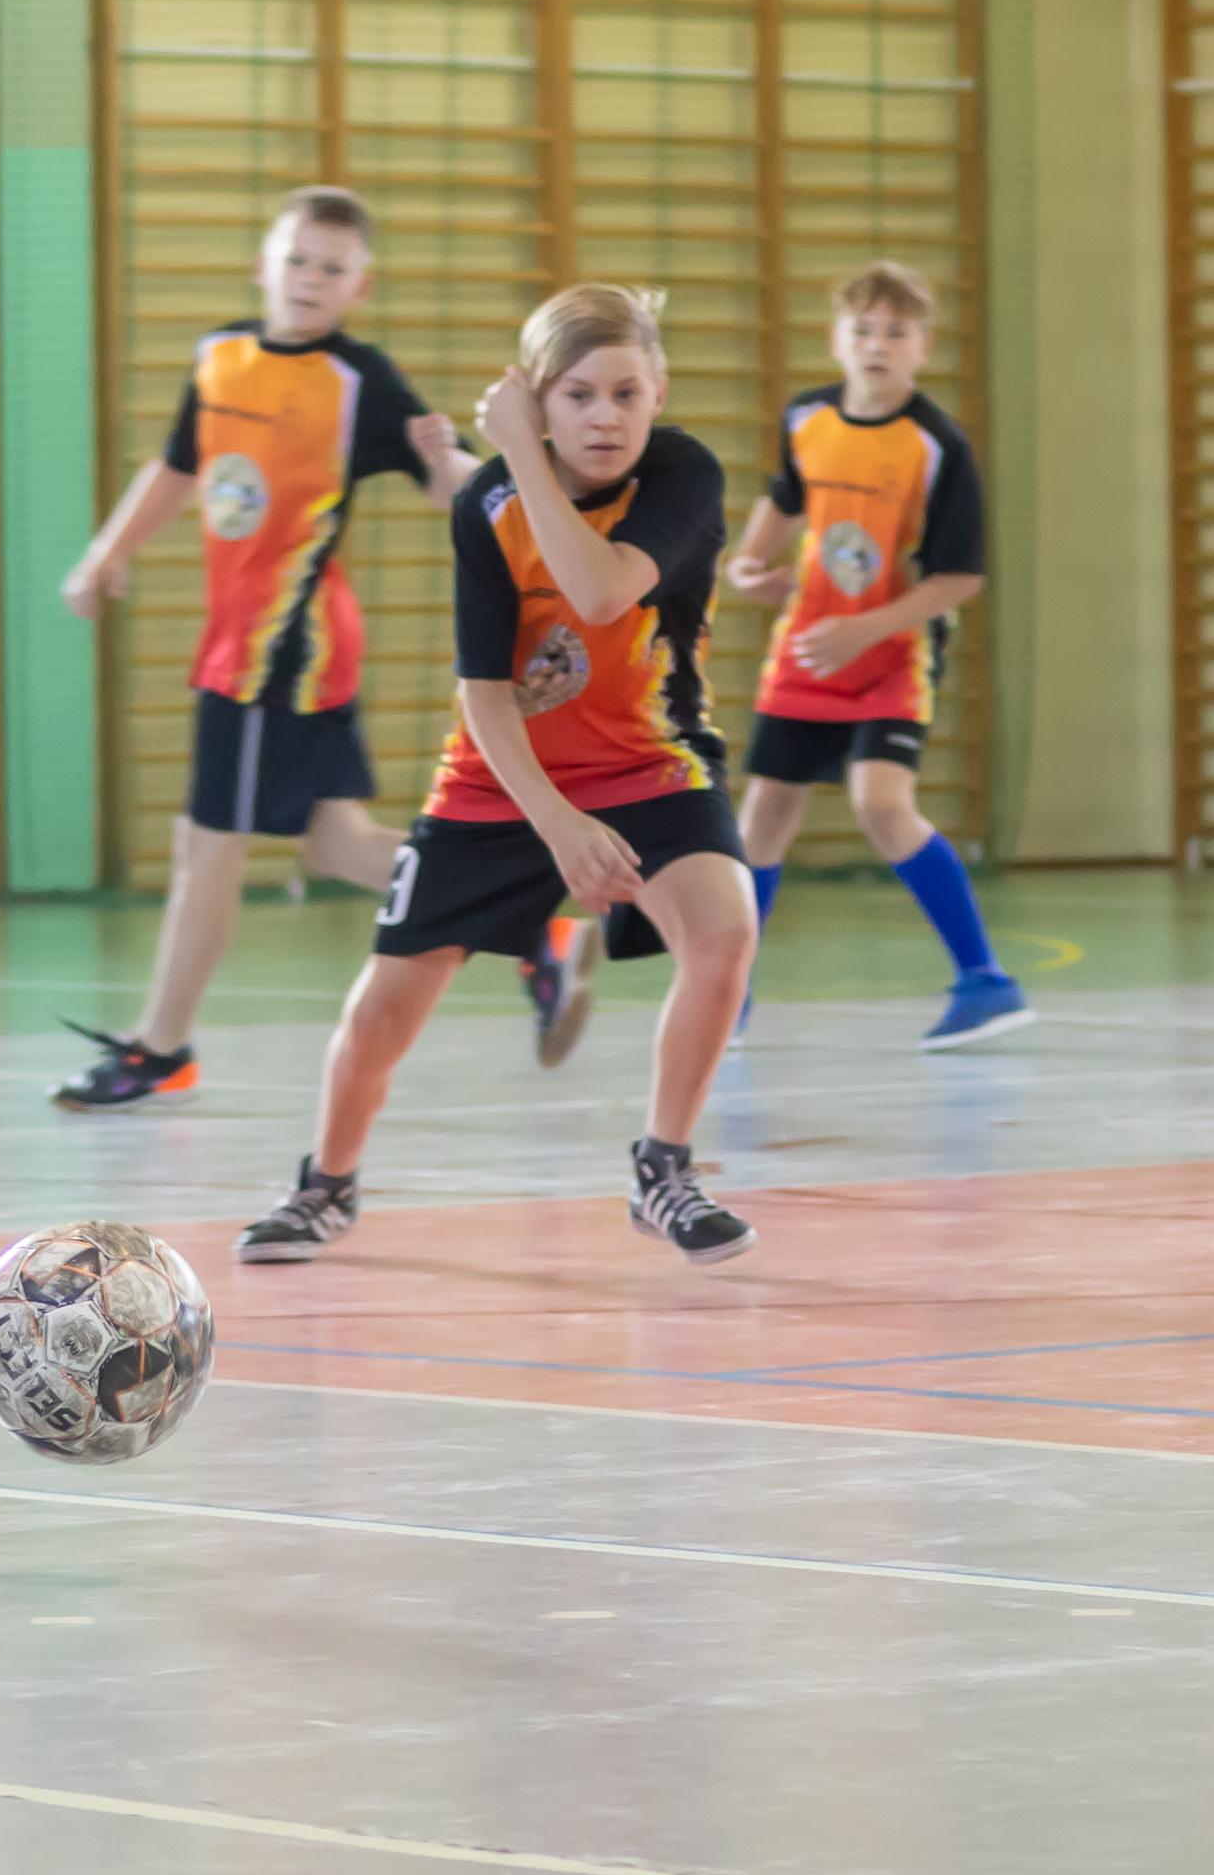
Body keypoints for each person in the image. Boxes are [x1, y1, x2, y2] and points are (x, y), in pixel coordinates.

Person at [241, 283, 759, 1273]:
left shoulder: (682, 473)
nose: (603, 417)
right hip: (501, 773)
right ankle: (326, 1185)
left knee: (724, 929)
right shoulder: (486, 501)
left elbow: (600, 592)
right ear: (536, 397)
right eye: (576, 395)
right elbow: (483, 690)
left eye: (626, 393)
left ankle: (663, 1168)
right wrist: (557, 823)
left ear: (658, 394)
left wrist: (519, 451)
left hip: (648, 759)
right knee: (381, 1011)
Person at [49, 187, 453, 1110]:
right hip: (246, 640)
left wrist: (446, 457)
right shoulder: (220, 356)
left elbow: (449, 484)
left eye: (332, 267)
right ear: (262, 265)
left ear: (360, 285)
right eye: (297, 259)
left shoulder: (360, 381)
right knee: (337, 843)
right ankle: (525, 910)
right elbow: (179, 466)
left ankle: (161, 1048)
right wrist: (108, 551)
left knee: (207, 847)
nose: (310, 278)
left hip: (285, 645)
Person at [725, 259, 1021, 1048]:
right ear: (836, 339)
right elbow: (784, 499)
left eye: (896, 331)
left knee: (880, 803)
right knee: (763, 815)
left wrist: (868, 627)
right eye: (863, 329)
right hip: (808, 649)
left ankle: (985, 978)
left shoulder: (937, 445)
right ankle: (728, 989)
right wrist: (747, 564)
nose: (877, 344)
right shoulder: (806, 418)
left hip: (892, 653)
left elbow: (960, 578)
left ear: (924, 344)